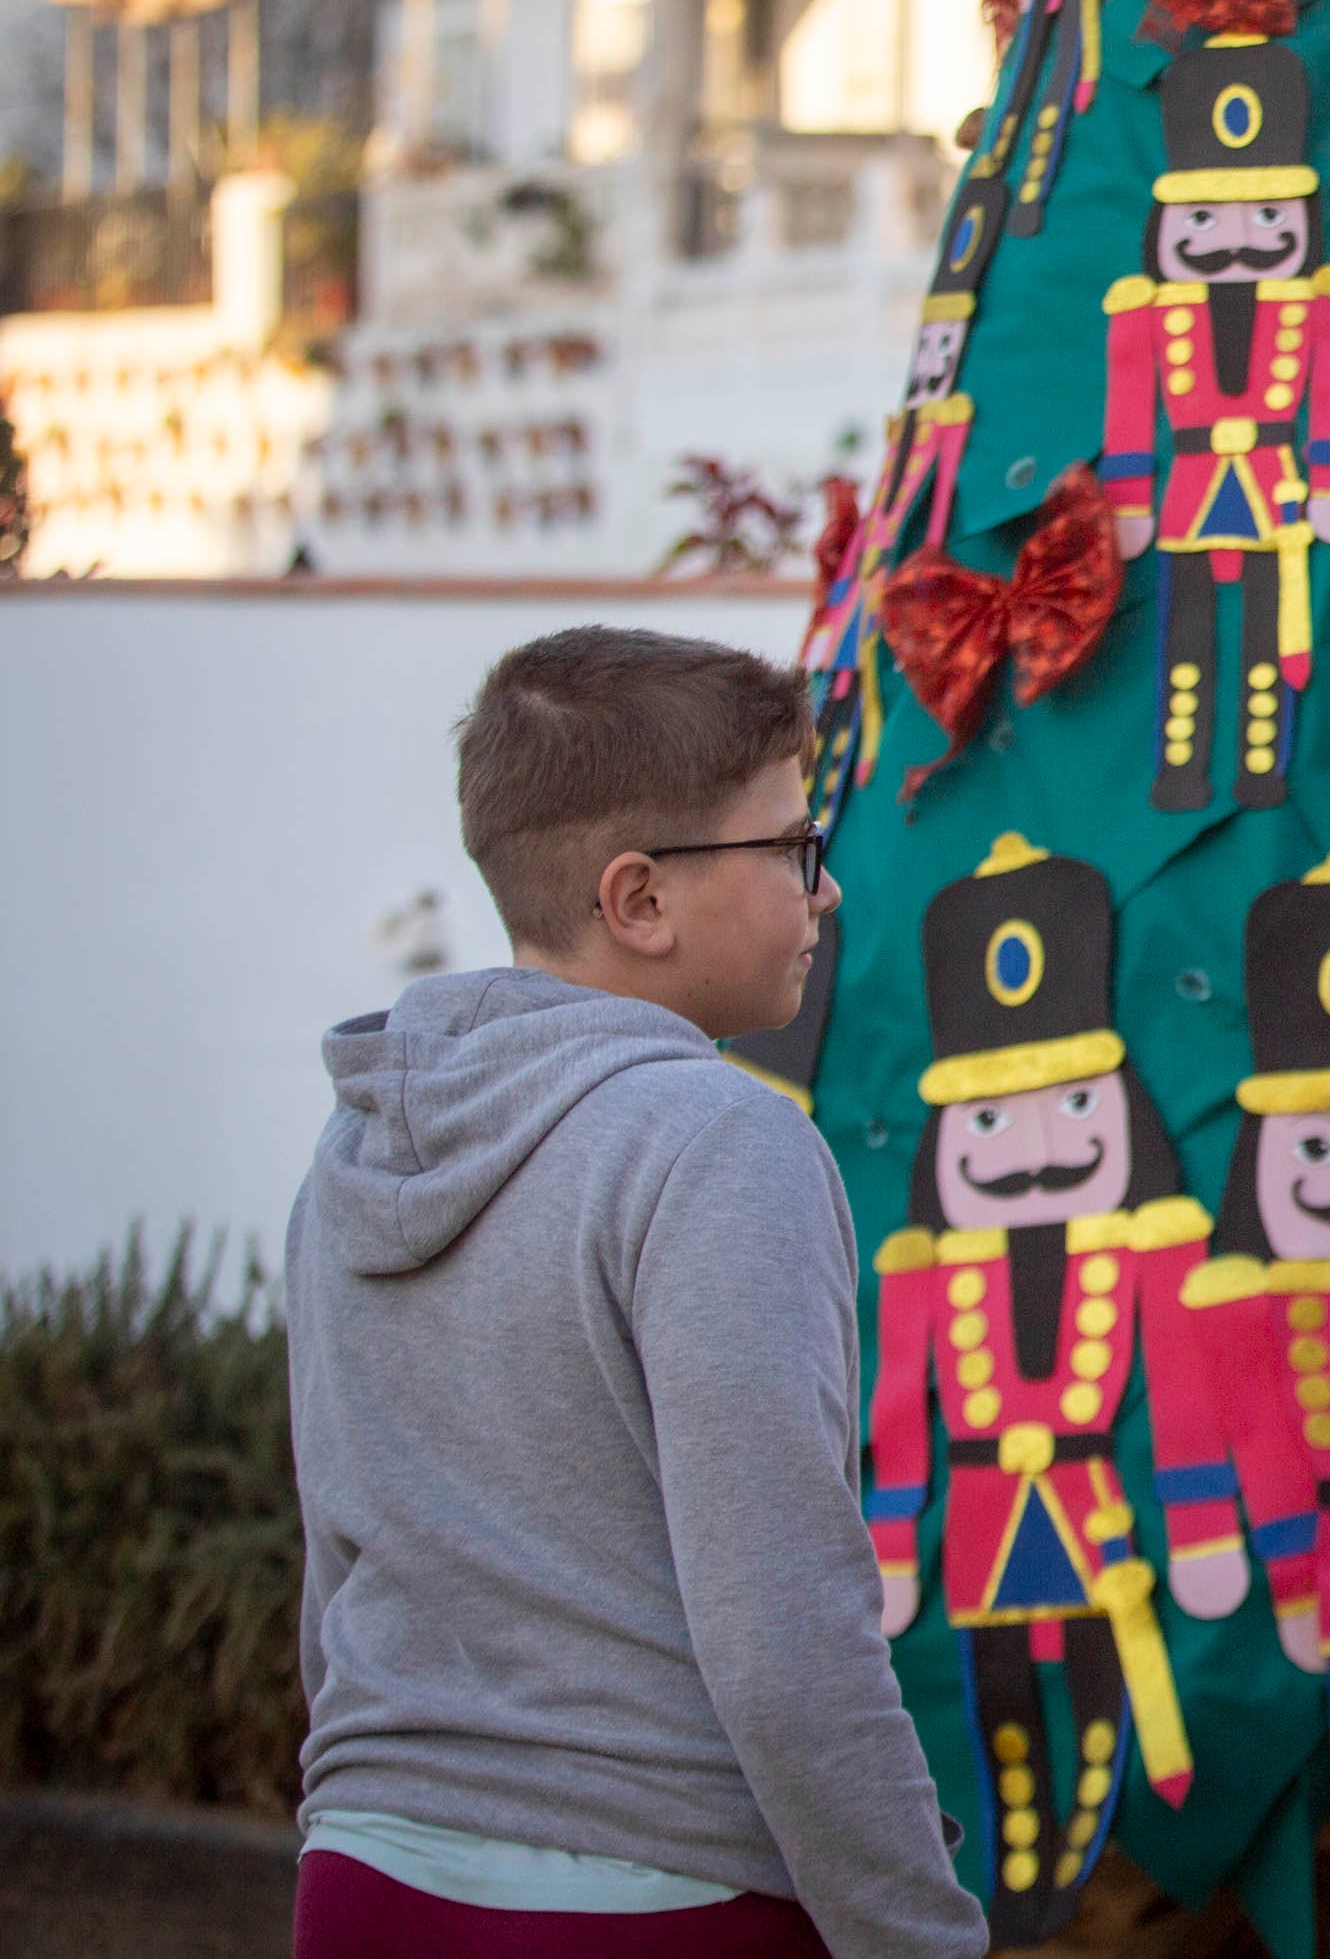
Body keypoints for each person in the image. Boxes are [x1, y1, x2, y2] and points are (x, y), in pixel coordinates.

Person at [286, 628, 984, 1959]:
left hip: (365, 1879)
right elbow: (788, 1637)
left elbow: (340, 1570)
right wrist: (920, 1938)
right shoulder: (718, 1140)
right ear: (640, 900)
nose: (823, 892)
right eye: (790, 849)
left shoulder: (357, 1145)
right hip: (655, 1900)